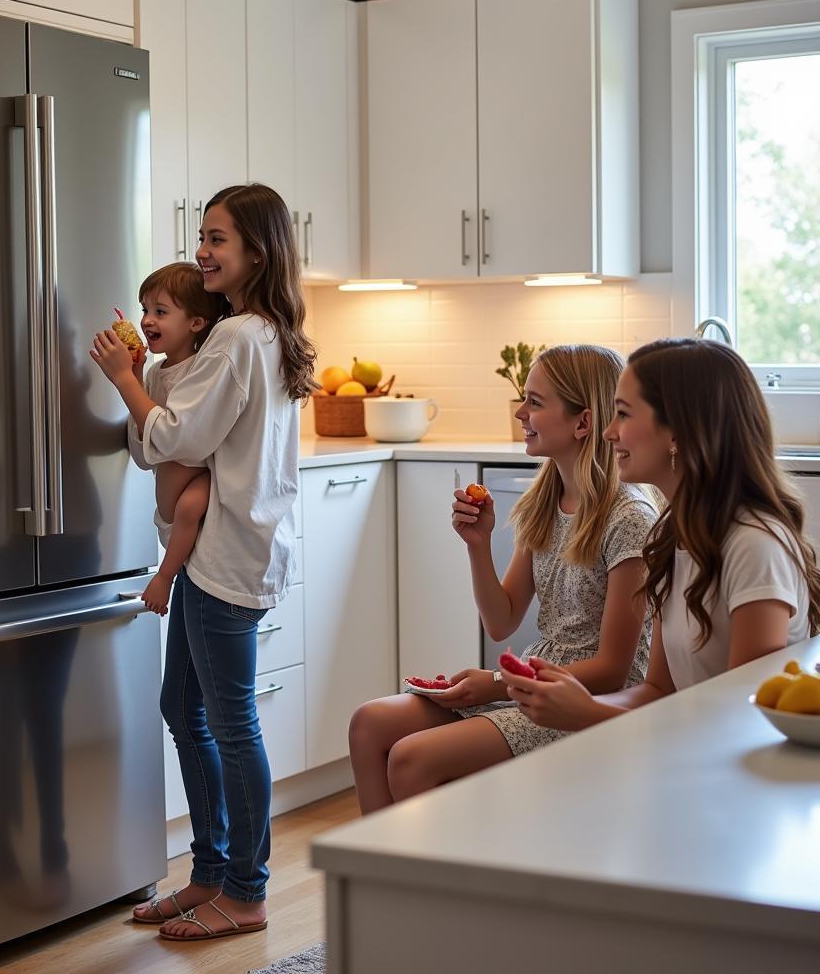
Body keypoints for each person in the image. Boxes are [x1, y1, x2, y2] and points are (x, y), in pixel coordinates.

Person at [90, 183, 315, 941]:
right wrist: (144, 372)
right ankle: (211, 872)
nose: (203, 250)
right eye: (202, 236)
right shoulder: (250, 334)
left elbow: (175, 440)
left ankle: (245, 890)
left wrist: (125, 379)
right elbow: (177, 427)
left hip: (225, 557)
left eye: (218, 238)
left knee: (228, 721)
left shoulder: (242, 337)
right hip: (217, 555)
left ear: (258, 249)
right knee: (184, 710)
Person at [349, 345, 657, 814]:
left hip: (584, 699)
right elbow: (501, 621)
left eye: (534, 402)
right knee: (369, 724)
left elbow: (614, 669)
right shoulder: (545, 500)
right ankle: (376, 885)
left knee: (412, 759)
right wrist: (478, 544)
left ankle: (439, 886)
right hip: (533, 681)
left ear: (583, 422)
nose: (520, 413)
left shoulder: (628, 517)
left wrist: (496, 683)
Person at [501, 338, 820, 729]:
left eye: (623, 414)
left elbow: (746, 716)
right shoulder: (670, 536)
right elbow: (657, 691)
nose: (608, 433)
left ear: (677, 433)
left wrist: (587, 714)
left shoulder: (754, 544)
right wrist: (567, 699)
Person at [120, 262, 230, 616]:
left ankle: (164, 578)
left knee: (189, 507)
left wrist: (124, 380)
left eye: (161, 312)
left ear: (196, 323)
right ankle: (171, 574)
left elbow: (176, 438)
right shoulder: (155, 373)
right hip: (164, 513)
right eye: (145, 310)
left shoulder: (201, 369)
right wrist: (134, 377)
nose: (147, 320)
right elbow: (144, 453)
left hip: (196, 489)